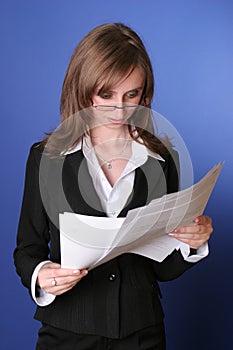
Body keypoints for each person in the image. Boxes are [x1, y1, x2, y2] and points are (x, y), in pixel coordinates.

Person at [14, 23, 213, 350]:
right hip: (67, 333)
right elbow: (27, 250)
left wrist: (193, 244)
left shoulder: (164, 161)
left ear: (144, 93)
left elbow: (162, 269)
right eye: (106, 94)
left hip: (143, 334)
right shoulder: (45, 159)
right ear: (84, 87)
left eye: (131, 94)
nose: (119, 109)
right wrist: (41, 274)